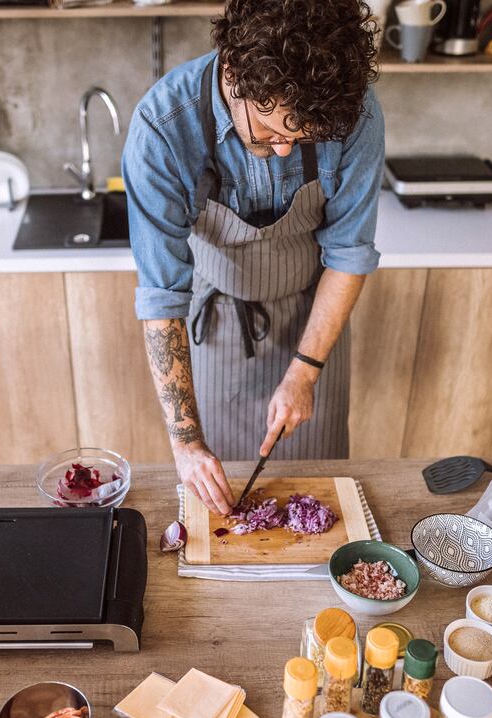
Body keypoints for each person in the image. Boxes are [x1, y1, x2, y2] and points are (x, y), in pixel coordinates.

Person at [123, 0, 384, 515]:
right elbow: (161, 296)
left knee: (317, 495)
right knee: (224, 492)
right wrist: (186, 444)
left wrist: (304, 373)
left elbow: (349, 254)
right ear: (234, 71)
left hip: (314, 318)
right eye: (271, 128)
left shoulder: (354, 111)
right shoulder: (163, 129)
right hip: (220, 321)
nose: (286, 149)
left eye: (302, 136)